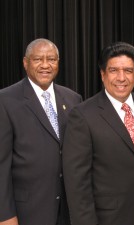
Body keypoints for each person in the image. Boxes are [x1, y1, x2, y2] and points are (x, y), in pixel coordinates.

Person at [62, 42, 134, 225]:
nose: (121, 77)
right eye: (114, 70)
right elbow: (77, 183)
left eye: (128, 71)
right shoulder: (83, 115)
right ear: (102, 74)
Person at [0, 38, 82, 225]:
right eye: (38, 59)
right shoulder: (5, 101)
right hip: (26, 212)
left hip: (68, 212)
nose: (45, 65)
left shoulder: (73, 99)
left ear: (58, 63)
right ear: (25, 62)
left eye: (51, 59)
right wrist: (4, 215)